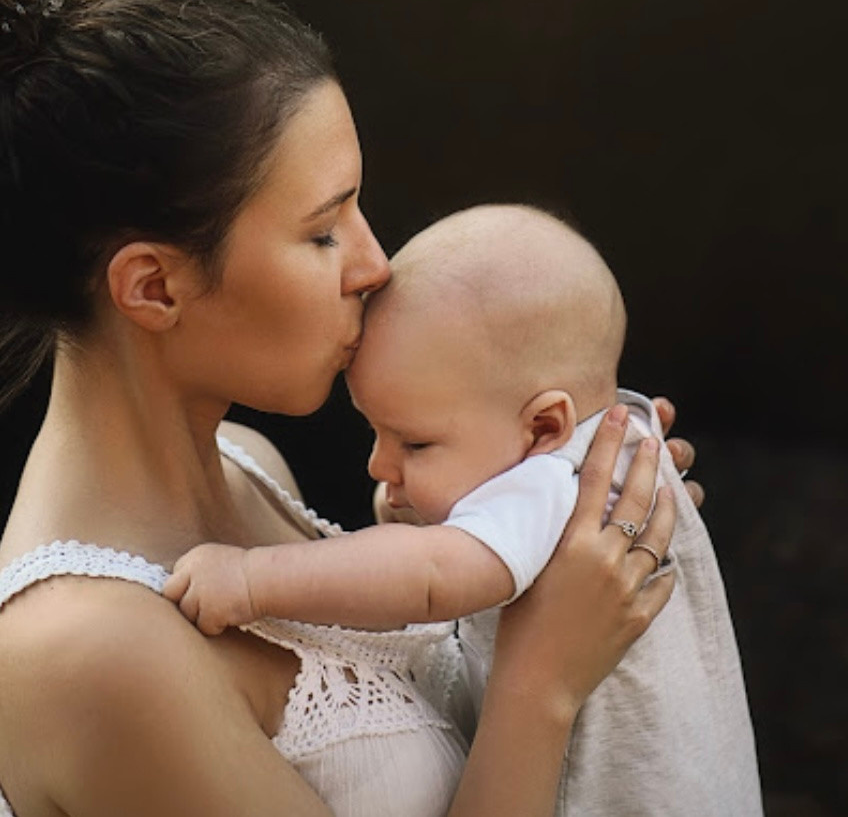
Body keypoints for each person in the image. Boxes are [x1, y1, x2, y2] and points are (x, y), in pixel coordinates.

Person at [0, 0, 694, 817]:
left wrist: (564, 522)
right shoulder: (89, 650)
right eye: (322, 230)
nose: (374, 264)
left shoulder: (248, 464)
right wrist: (544, 679)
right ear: (153, 285)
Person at [167, 204, 764, 817]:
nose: (378, 464)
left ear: (544, 426)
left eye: (415, 443)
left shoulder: (552, 482)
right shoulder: (620, 436)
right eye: (376, 432)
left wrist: (251, 579)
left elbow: (430, 578)